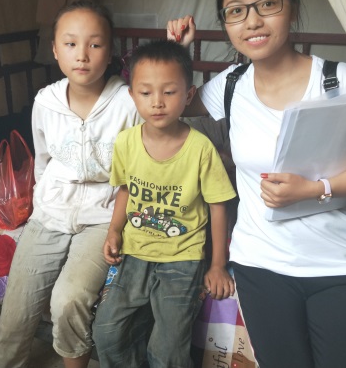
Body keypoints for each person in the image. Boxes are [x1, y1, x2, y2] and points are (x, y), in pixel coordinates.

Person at [167, 0, 346, 368]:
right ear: (226, 22)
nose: (253, 21)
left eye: (268, 4)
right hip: (259, 262)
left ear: (292, 7)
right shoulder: (230, 86)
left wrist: (315, 189)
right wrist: (179, 53)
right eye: (236, 11)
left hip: (336, 261)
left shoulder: (338, 80)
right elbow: (171, 102)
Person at [0, 0, 142, 368]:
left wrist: (118, 225)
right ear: (55, 50)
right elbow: (43, 161)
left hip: (102, 216)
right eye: (70, 44)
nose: (82, 55)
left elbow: (137, 172)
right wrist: (41, 202)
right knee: (16, 309)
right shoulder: (46, 101)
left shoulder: (128, 103)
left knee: (68, 300)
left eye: (95, 44)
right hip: (51, 212)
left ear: (110, 51)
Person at [92, 40, 238, 368]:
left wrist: (217, 264)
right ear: (133, 96)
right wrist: (114, 230)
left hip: (182, 257)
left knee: (167, 350)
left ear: (188, 95)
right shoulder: (126, 142)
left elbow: (218, 205)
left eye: (169, 92)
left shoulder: (200, 148)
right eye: (146, 93)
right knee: (107, 332)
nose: (157, 102)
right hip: (135, 252)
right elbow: (125, 190)